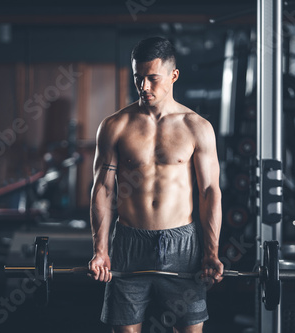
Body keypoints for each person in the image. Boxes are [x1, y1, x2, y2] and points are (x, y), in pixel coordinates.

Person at [88, 36, 223, 333]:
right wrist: (100, 249)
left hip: (182, 245)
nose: (144, 87)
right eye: (139, 78)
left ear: (173, 76)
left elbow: (209, 191)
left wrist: (211, 252)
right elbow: (103, 189)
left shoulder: (196, 127)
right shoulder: (115, 126)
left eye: (152, 78)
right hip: (128, 243)